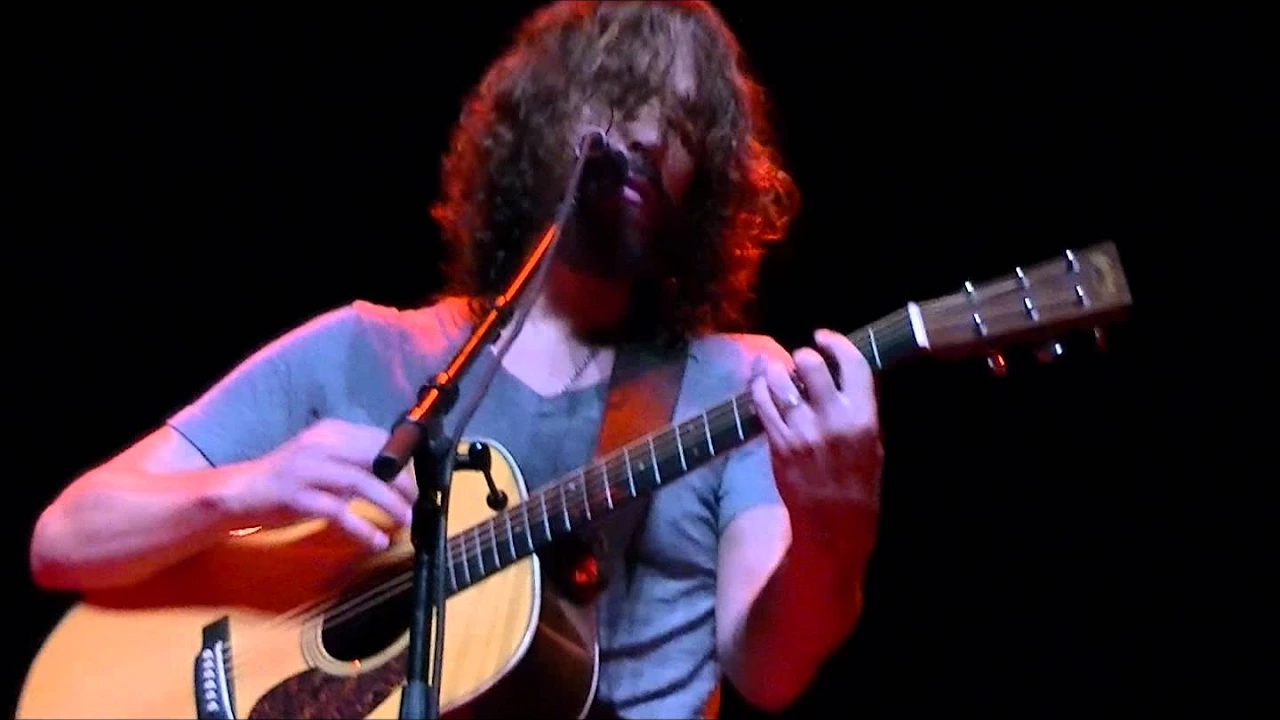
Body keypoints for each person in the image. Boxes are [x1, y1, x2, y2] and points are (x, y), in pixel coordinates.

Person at [28, 1, 883, 717]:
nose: (650, 132)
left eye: (687, 119)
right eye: (620, 93)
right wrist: (249, 490)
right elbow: (64, 538)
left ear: (711, 179)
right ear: (542, 120)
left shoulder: (740, 386)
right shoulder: (358, 350)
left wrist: (834, 528)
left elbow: (770, 672)